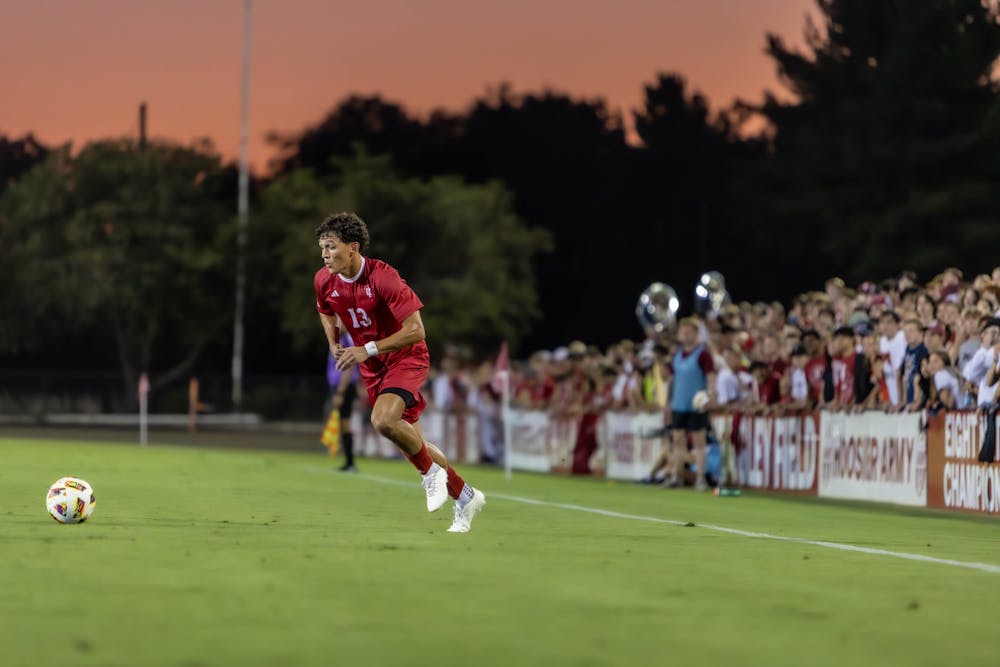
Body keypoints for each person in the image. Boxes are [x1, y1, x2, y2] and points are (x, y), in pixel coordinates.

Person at [314, 212, 485, 532]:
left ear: (353, 248)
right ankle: (465, 495)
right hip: (374, 367)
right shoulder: (324, 279)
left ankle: (430, 476)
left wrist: (367, 349)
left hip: (406, 357)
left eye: (331, 246)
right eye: (321, 246)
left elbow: (417, 330)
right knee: (414, 442)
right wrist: (333, 343)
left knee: (382, 420)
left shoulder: (383, 277)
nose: (324, 253)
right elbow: (325, 311)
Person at [664, 318, 716, 490]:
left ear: (695, 333)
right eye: (683, 332)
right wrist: (667, 403)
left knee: (698, 442)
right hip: (679, 404)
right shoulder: (677, 355)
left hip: (697, 405)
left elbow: (710, 376)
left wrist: (711, 395)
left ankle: (700, 479)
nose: (686, 335)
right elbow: (672, 381)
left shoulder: (702, 354)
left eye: (689, 332)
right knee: (677, 442)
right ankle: (676, 476)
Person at [326, 332, 360, 471]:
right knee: (342, 422)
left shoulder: (346, 339)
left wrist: (340, 392)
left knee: (345, 422)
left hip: (343, 387)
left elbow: (349, 367)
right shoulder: (337, 339)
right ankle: (348, 462)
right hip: (338, 386)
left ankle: (350, 463)